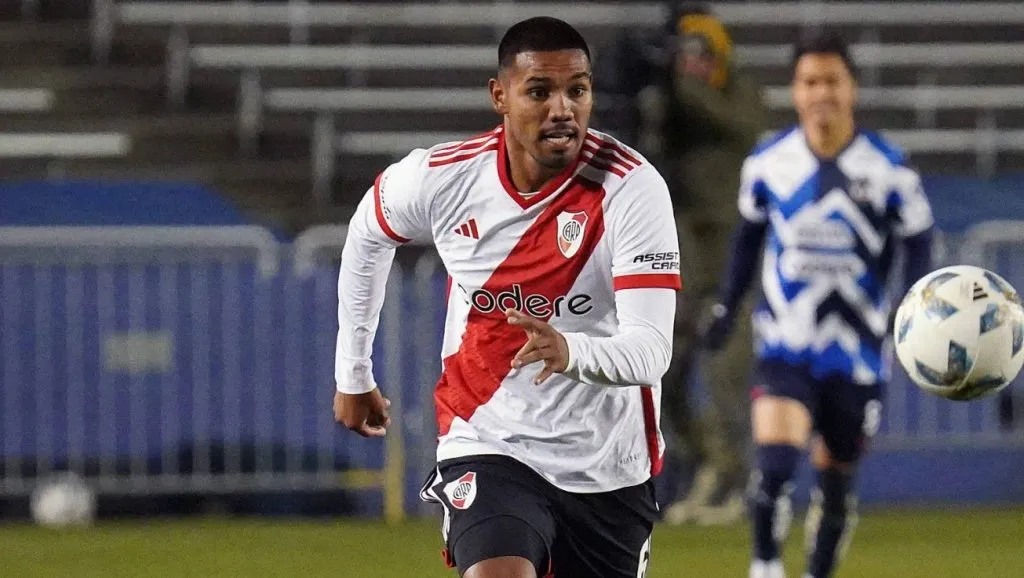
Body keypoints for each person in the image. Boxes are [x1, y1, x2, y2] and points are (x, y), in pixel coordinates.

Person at [333, 16, 681, 578]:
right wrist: (353, 371)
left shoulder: (632, 189)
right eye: (540, 92)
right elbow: (367, 231)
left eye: (577, 91)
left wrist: (570, 351)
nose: (562, 109)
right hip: (490, 440)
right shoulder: (444, 179)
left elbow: (651, 350)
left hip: (607, 462)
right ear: (500, 96)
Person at [700, 31, 935, 578]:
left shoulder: (888, 169)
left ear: (852, 89)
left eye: (832, 80)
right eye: (810, 81)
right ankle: (765, 567)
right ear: (796, 91)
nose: (821, 92)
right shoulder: (768, 163)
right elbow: (746, 242)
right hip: (786, 344)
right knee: (775, 466)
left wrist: (913, 309)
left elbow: (919, 241)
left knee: (836, 481)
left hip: (857, 352)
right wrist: (727, 308)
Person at [598, 2, 767, 525]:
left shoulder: (741, 94)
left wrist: (679, 83)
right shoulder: (671, 107)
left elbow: (740, 127)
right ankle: (706, 463)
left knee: (726, 374)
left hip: (734, 262)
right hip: (685, 255)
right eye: (684, 55)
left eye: (700, 54)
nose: (691, 64)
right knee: (663, 373)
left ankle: (733, 480)